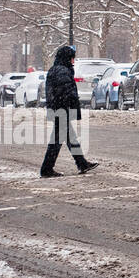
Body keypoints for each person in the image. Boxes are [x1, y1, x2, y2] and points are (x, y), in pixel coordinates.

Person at [39, 45, 98, 178]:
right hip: (61, 110)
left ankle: (81, 163)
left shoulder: (55, 70)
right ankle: (46, 169)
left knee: (69, 138)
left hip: (57, 109)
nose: (73, 61)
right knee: (56, 141)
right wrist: (70, 106)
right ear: (67, 58)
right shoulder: (63, 71)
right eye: (72, 58)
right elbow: (65, 92)